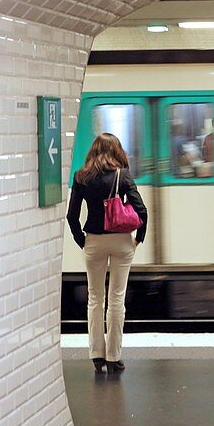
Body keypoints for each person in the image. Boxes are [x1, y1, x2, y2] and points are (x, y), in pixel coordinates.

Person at [66, 133, 148, 374]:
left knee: (95, 298)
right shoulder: (122, 176)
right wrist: (137, 240)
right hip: (122, 241)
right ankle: (114, 357)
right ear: (117, 151)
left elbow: (72, 216)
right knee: (117, 299)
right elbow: (142, 212)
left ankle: (96, 356)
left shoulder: (81, 177)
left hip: (94, 241)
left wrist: (83, 241)